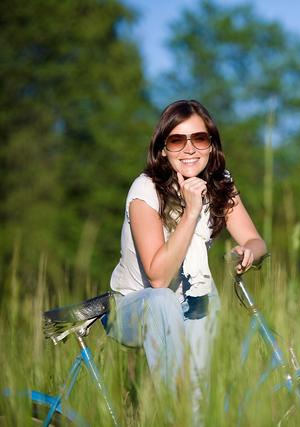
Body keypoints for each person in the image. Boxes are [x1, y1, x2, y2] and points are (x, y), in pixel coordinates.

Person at [108, 99, 266, 417]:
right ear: (163, 148)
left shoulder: (220, 183)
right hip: (136, 307)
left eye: (200, 138)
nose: (189, 148)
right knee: (162, 302)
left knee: (201, 398)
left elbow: (255, 238)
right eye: (177, 139)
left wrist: (250, 250)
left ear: (212, 145)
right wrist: (191, 211)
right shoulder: (145, 191)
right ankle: (174, 409)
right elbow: (158, 278)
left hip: (189, 303)